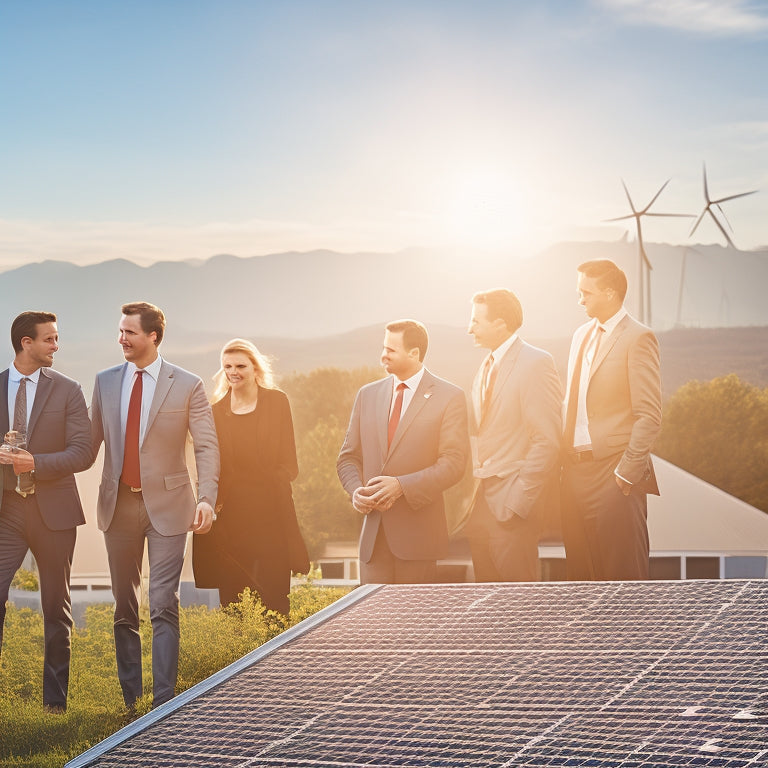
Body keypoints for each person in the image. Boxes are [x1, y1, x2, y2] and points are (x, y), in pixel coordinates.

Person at [90, 301, 219, 709]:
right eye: (120, 331)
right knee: (124, 607)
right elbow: (86, 446)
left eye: (129, 332)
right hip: (117, 506)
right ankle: (131, 703)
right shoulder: (105, 382)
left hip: (170, 507)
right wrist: (34, 461)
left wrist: (207, 498)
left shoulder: (188, 384)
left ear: (153, 336)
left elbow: (206, 446)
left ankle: (164, 704)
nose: (121, 339)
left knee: (163, 602)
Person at [0, 311, 92, 713]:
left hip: (53, 512)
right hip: (6, 512)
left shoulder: (68, 390)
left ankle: (55, 705)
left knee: (56, 607)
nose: (56, 345)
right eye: (49, 339)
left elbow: (83, 453)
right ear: (26, 343)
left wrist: (34, 462)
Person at [337, 319, 469, 584]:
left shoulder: (450, 397)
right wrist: (355, 491)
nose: (383, 355)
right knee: (374, 613)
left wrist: (401, 486)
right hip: (373, 542)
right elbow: (348, 458)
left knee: (414, 613)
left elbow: (453, 464)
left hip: (419, 541)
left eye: (391, 350)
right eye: (383, 348)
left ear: (414, 353)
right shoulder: (367, 395)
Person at [561, 259, 662, 581]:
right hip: (573, 474)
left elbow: (649, 415)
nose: (580, 300)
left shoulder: (639, 337)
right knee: (581, 579)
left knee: (623, 578)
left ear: (609, 292)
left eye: (586, 293)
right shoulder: (580, 335)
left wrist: (626, 472)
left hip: (613, 473)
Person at [192, 339, 309, 615]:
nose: (233, 372)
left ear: (255, 369)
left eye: (240, 366)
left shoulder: (277, 402)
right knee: (233, 604)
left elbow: (289, 463)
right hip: (230, 520)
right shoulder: (215, 411)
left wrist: (274, 485)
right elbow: (209, 463)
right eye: (228, 366)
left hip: (271, 517)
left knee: (275, 601)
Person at [463, 289, 562, 582]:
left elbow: (547, 440)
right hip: (480, 507)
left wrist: (518, 501)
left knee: (519, 601)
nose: (469, 328)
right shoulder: (484, 366)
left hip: (512, 507)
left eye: (476, 321)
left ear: (500, 324)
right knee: (487, 599)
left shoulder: (536, 362)